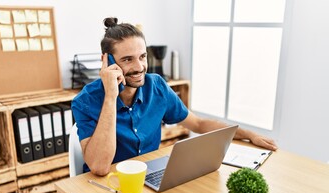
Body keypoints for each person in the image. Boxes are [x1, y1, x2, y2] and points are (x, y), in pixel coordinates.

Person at [72, 17, 277, 177]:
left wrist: (249, 134)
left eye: (142, 57)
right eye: (127, 59)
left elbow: (198, 124)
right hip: (106, 185)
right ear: (106, 61)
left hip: (147, 177)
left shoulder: (157, 86)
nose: (139, 67)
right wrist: (110, 96)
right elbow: (99, 167)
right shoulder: (85, 101)